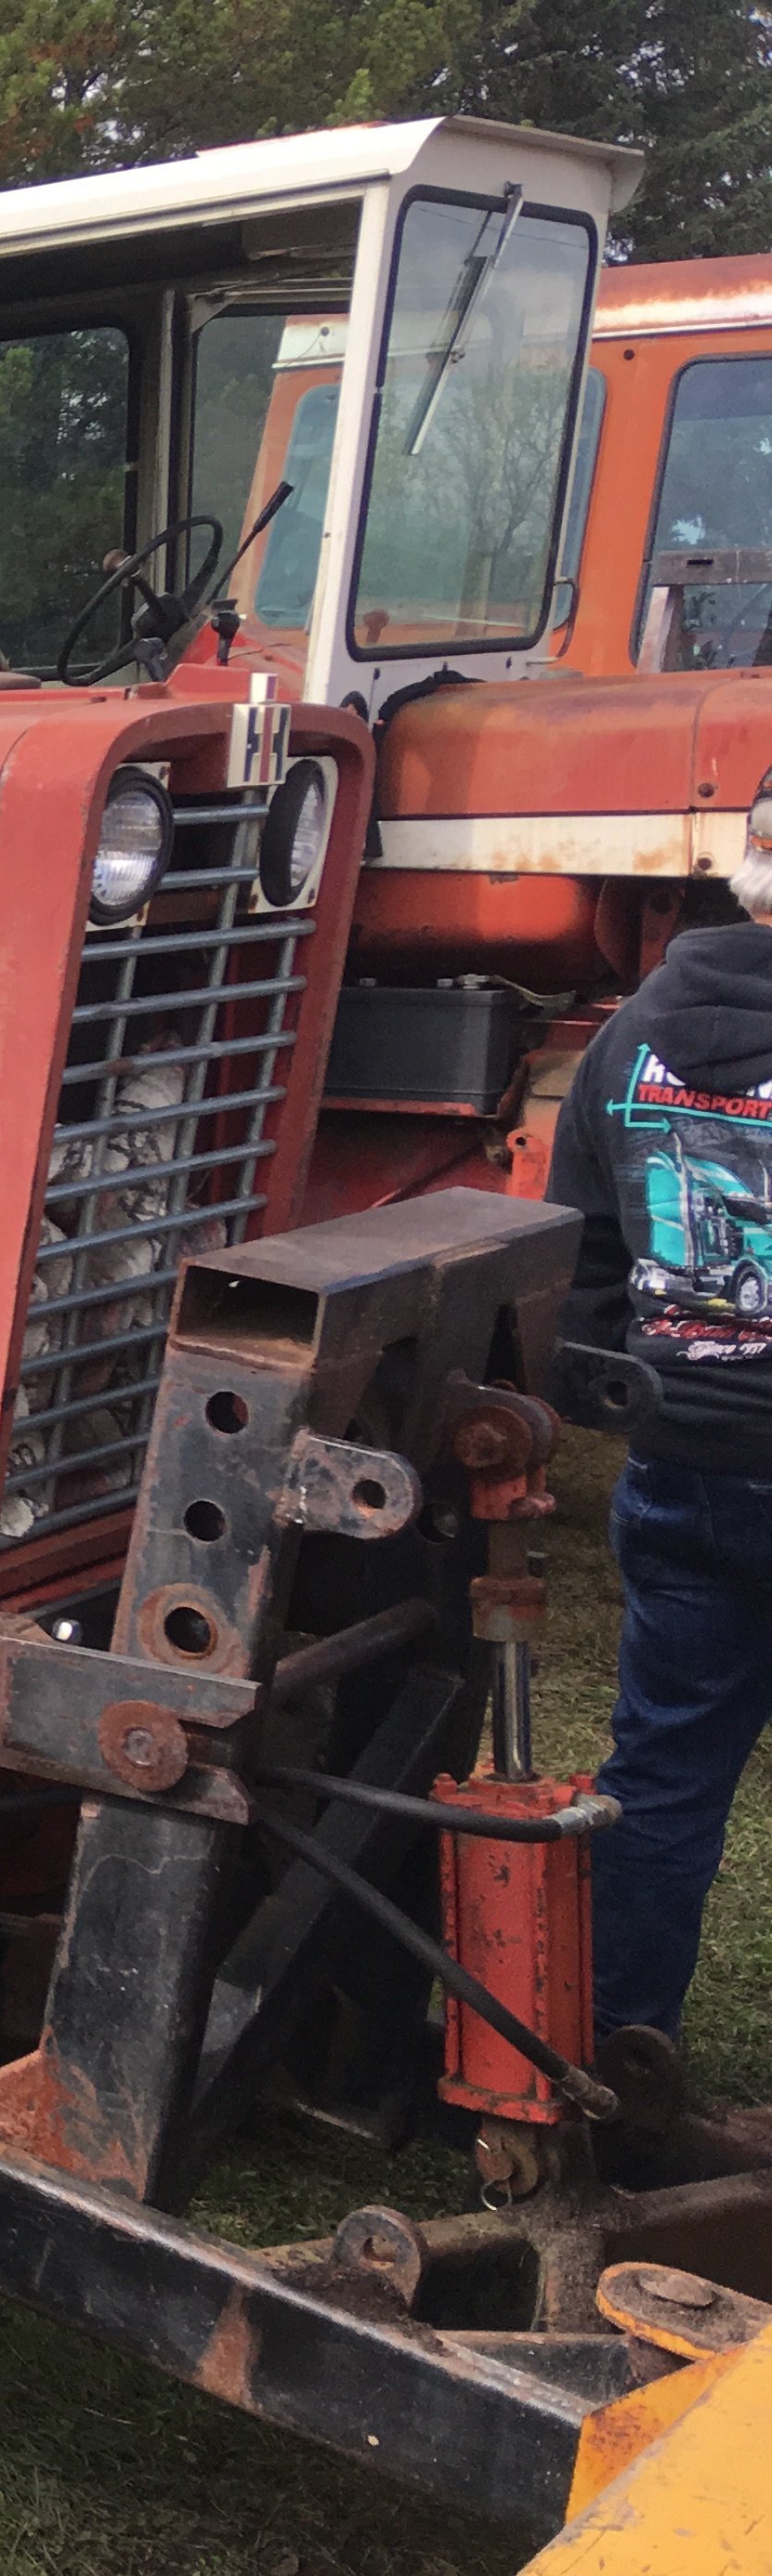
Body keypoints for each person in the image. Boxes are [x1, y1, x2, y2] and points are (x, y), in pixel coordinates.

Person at [547, 770, 772, 2079]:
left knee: (667, 1775)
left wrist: (624, 1393)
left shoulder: (628, 1037)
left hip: (685, 1460)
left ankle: (619, 2057)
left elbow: (576, 1264)